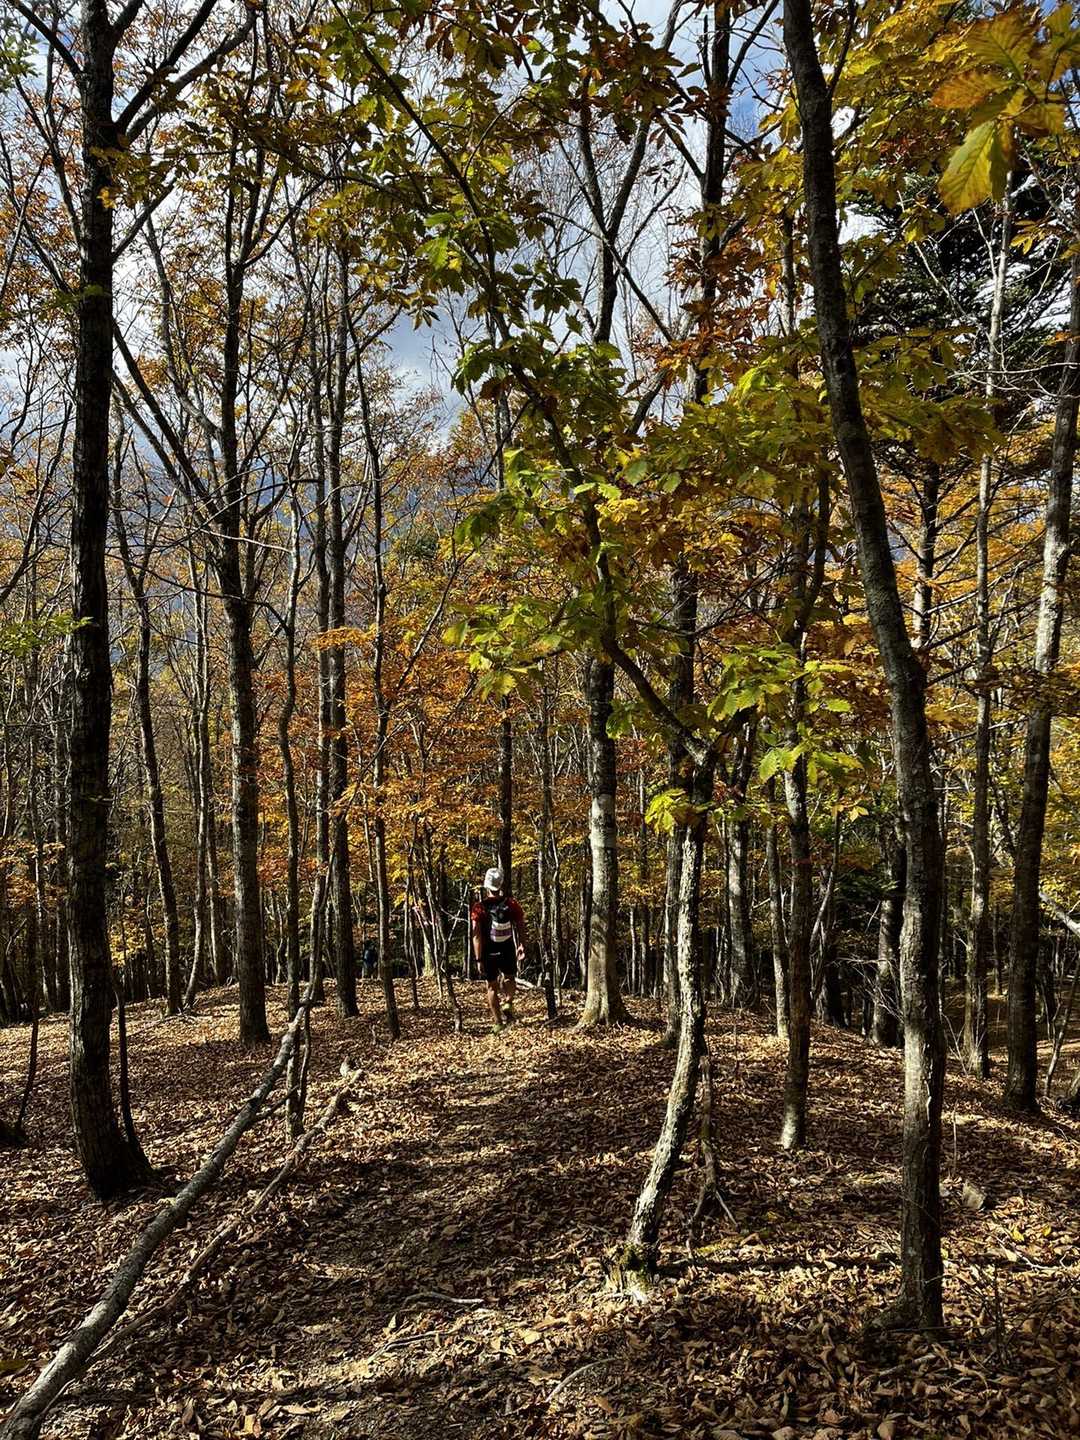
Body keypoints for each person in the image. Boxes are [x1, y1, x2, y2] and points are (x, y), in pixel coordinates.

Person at [471, 867, 525, 1032]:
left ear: (486, 886)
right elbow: (521, 925)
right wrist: (521, 944)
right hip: (507, 947)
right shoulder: (511, 904)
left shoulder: (479, 908)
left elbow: (476, 935)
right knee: (509, 978)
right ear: (500, 885)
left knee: (491, 986)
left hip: (489, 951)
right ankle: (508, 1002)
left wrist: (479, 959)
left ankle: (498, 1023)